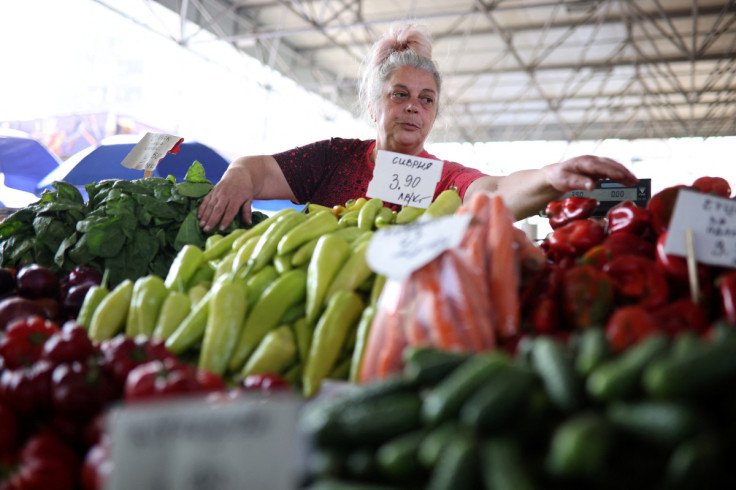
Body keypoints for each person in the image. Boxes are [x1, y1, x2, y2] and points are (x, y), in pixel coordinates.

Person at [198, 23, 637, 233]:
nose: (413, 108)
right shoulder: (335, 158)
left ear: (434, 112)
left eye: (426, 99)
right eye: (399, 94)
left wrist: (549, 177)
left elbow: (497, 192)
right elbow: (257, 169)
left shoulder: (445, 178)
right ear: (373, 107)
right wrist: (238, 176)